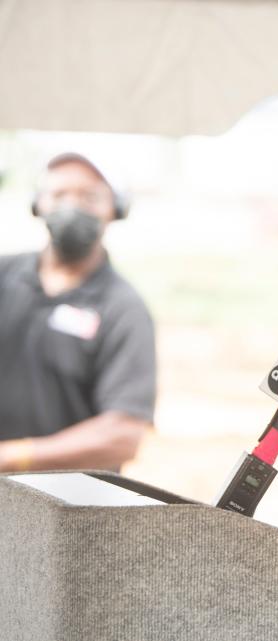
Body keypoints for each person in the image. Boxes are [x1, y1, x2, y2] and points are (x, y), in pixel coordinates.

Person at [0, 152, 156, 473]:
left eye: (89, 196)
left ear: (116, 208)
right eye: (58, 194)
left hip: (68, 509)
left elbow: (123, 434)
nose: (72, 207)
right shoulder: (4, 275)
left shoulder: (122, 307)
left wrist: (14, 456)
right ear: (37, 204)